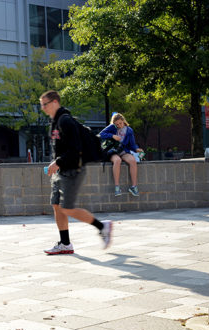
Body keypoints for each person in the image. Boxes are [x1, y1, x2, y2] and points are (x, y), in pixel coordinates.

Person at [39, 90, 113, 255]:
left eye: (45, 104)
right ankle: (65, 243)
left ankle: (103, 226)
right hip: (61, 170)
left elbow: (75, 149)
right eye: (41, 105)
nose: (43, 108)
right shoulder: (56, 122)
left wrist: (57, 162)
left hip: (72, 170)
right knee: (57, 206)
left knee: (67, 208)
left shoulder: (66, 121)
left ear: (55, 102)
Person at [98, 113, 144, 197]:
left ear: (123, 121)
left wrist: (137, 149)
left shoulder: (129, 130)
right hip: (113, 151)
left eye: (120, 123)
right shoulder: (112, 127)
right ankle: (117, 187)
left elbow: (132, 145)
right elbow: (100, 135)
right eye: (117, 124)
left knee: (133, 160)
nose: (119, 125)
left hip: (124, 151)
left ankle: (134, 187)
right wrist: (112, 136)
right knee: (117, 160)